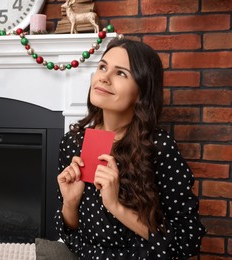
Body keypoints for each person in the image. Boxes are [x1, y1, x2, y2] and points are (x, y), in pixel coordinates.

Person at [54, 38, 206, 259]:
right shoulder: (72, 143)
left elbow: (187, 241)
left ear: (141, 92)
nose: (104, 78)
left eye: (121, 73)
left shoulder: (160, 148)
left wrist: (115, 205)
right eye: (103, 67)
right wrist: (70, 203)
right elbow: (70, 232)